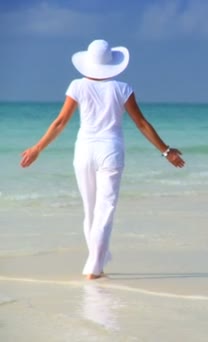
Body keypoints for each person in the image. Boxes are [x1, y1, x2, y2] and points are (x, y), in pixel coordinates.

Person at [20, 39, 185, 280]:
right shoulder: (122, 88)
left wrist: (38, 148)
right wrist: (166, 150)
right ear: (112, 63)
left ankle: (97, 261)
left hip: (84, 152)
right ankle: (94, 267)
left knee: (90, 211)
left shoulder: (77, 85)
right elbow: (141, 123)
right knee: (104, 210)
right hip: (111, 151)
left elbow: (60, 122)